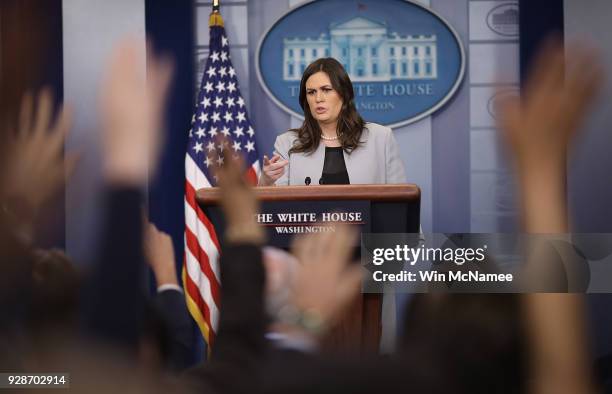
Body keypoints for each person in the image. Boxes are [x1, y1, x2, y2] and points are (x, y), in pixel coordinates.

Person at [258, 57, 406, 186]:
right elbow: (275, 209)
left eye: (326, 89)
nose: (318, 99)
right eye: (311, 92)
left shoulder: (380, 138)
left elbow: (400, 201)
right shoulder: (287, 143)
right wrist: (266, 181)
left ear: (343, 94)